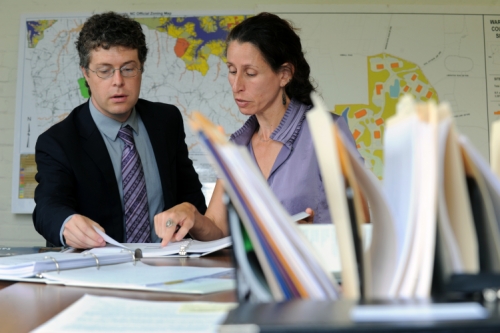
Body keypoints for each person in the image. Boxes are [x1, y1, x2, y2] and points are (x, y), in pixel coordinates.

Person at [153, 12, 360, 246]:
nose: (237, 85)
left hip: (317, 278)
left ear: (284, 74)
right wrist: (190, 214)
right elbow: (218, 228)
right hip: (253, 278)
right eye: (232, 71)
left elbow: (362, 224)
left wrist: (314, 234)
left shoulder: (327, 132)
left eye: (250, 73)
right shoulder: (237, 145)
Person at [33, 12, 207, 249]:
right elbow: (47, 207)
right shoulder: (58, 141)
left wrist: (189, 213)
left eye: (128, 69)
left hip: (168, 267)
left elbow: (191, 198)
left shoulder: (166, 121)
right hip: (100, 272)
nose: (118, 81)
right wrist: (67, 223)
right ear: (85, 72)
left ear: (141, 68)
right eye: (104, 70)